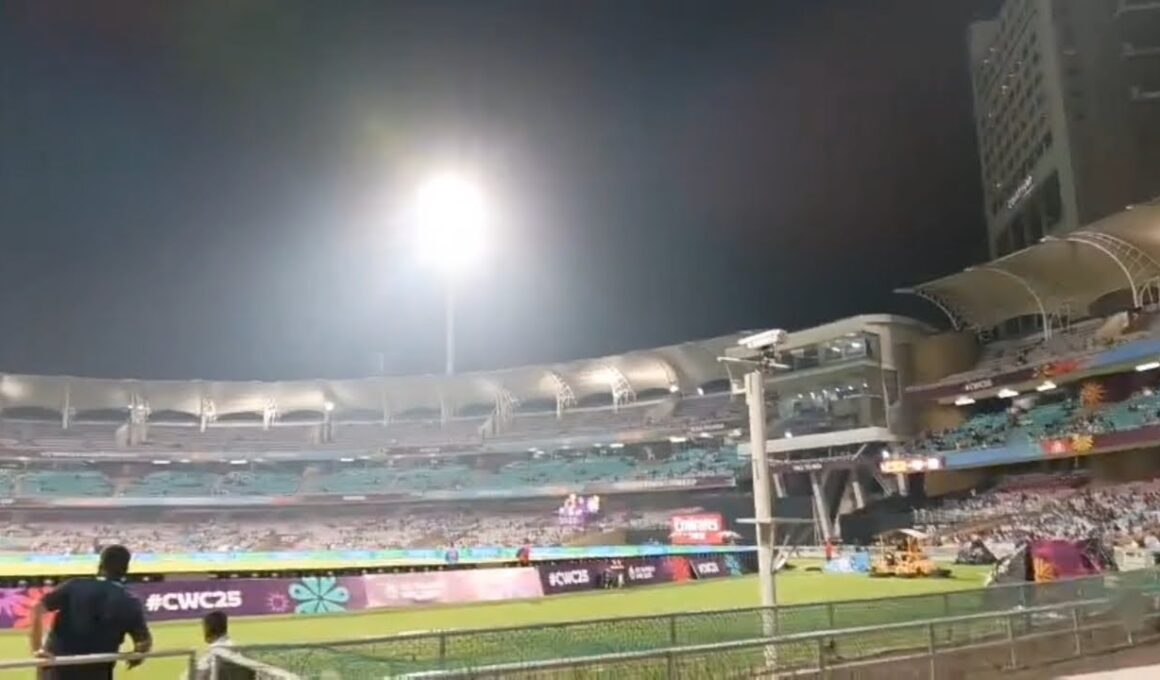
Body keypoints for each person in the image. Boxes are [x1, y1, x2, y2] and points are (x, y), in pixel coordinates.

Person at [30, 544, 152, 680]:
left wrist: (38, 649)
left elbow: (37, 608)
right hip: (97, 672)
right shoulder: (130, 601)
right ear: (126, 569)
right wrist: (137, 657)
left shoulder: (74, 585)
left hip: (56, 669)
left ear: (100, 565)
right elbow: (143, 643)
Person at [194, 611, 233, 680]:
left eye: (204, 627)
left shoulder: (211, 654)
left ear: (208, 629)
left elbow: (198, 677)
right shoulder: (237, 650)